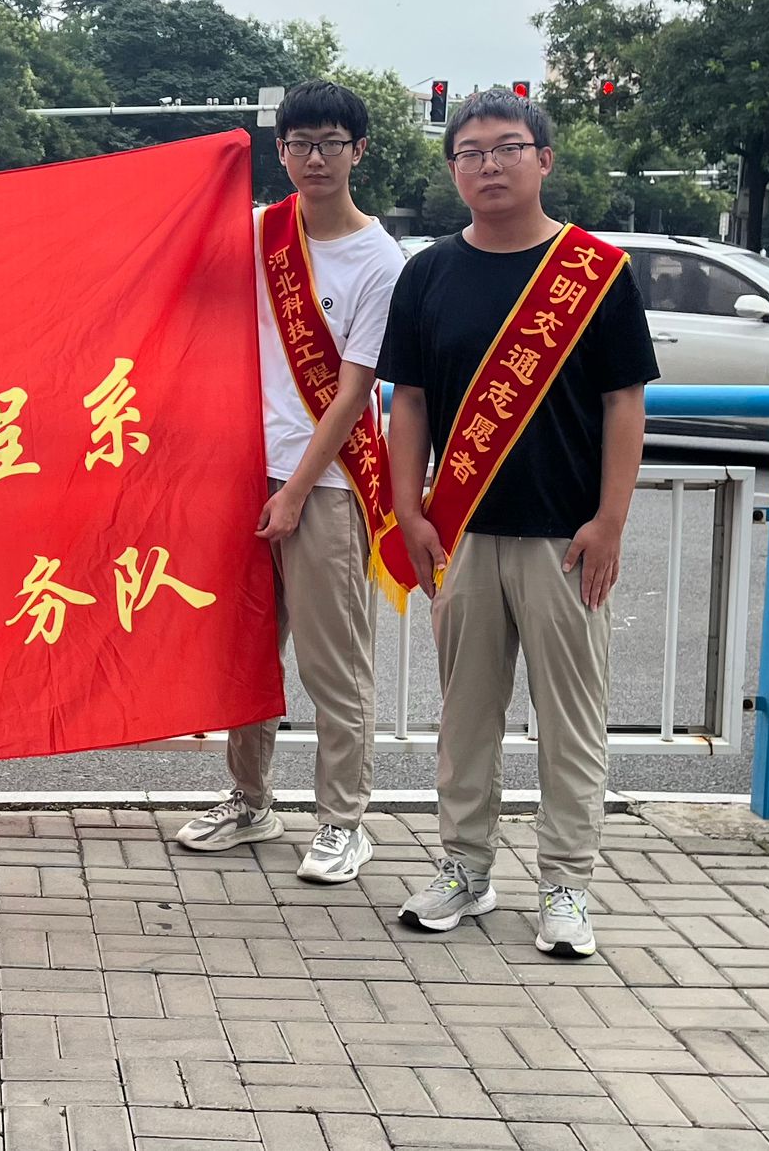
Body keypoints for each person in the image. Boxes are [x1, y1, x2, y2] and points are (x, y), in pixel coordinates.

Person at [377, 87, 655, 959]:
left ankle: (567, 883)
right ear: (453, 168)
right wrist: (409, 509)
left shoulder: (595, 273)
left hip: (565, 537)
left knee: (571, 718)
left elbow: (624, 402)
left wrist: (611, 520)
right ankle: (465, 866)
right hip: (460, 531)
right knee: (465, 715)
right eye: (470, 152)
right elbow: (409, 401)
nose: (488, 165)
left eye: (507, 148)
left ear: (544, 159)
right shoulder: (428, 273)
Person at [173, 80, 403, 885]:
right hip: (242, 473)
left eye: (331, 143)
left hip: (326, 486)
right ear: (281, 151)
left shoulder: (379, 260)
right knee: (246, 653)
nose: (315, 158)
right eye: (300, 143)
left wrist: (298, 489)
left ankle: (344, 821)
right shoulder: (259, 233)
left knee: (333, 664)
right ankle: (250, 800)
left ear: (358, 151)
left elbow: (354, 391)